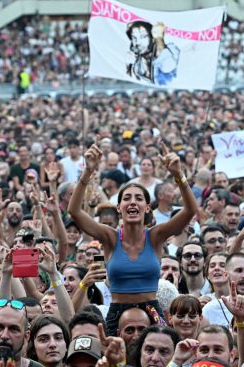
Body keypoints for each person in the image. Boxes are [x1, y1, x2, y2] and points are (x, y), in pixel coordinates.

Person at [68, 138, 197, 335]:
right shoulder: (109, 237)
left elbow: (189, 211)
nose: (132, 202)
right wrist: (88, 172)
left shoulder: (156, 236)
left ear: (147, 207)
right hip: (117, 313)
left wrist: (178, 175)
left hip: (152, 310)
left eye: (139, 198)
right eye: (127, 198)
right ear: (119, 208)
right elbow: (75, 211)